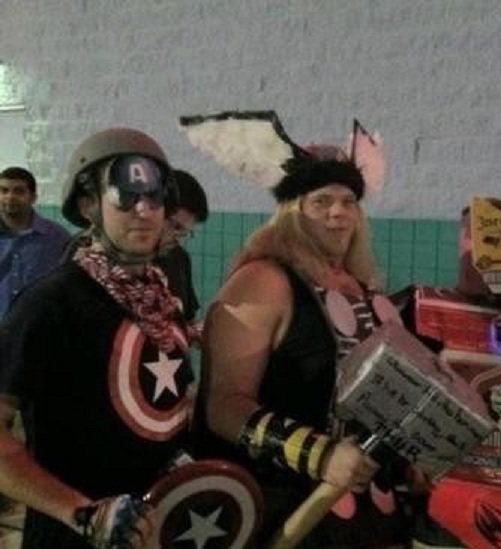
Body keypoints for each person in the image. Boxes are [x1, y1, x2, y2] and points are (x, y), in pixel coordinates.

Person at [192, 113, 411, 547]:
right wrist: (319, 454)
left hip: (358, 515)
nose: (338, 213)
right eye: (321, 200)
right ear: (293, 212)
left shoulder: (360, 287)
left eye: (348, 201)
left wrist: (408, 463)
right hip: (278, 506)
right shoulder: (263, 281)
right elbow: (223, 408)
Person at [0, 128, 194, 548]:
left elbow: (170, 408)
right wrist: (81, 512)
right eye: (126, 196)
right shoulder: (50, 303)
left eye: (155, 197)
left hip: (154, 527)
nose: (144, 210)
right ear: (89, 205)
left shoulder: (162, 301)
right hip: (73, 535)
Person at [0, 166, 70, 318]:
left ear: (33, 198)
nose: (9, 197)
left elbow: (69, 288)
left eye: (19, 191)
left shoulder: (58, 238)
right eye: (4, 191)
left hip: (42, 328)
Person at [156, 168, 208, 331]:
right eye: (175, 227)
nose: (178, 239)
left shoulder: (179, 257)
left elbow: (187, 320)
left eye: (185, 233)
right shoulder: (122, 264)